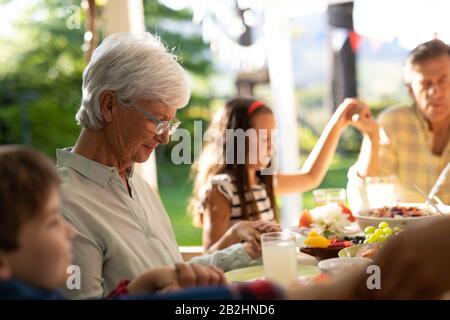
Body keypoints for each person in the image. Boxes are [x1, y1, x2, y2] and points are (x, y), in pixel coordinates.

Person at [2, 145, 450, 301]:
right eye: (49, 223)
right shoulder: (79, 197)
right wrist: (348, 289)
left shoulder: (137, 183)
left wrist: (141, 284)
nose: (166, 134)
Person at [56, 32, 260, 299]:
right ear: (108, 105)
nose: (165, 137)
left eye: (170, 124)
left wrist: (243, 253)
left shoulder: (138, 185)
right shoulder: (63, 203)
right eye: (158, 120)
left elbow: (169, 276)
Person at [190, 97, 371, 252]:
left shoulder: (263, 180)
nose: (271, 147)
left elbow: (310, 178)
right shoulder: (222, 190)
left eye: (272, 138)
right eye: (263, 139)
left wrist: (338, 124)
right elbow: (209, 257)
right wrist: (236, 231)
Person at [347, 39, 450, 209]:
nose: (435, 92)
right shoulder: (393, 123)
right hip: (407, 232)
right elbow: (367, 192)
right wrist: (371, 137)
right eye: (425, 83)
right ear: (410, 90)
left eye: (443, 80)